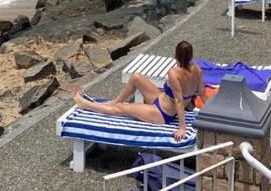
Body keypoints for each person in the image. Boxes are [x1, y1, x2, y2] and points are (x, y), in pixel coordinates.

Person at [71, 40, 202, 142]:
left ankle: (85, 104)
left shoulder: (174, 73)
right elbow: (202, 92)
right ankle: (114, 101)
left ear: (175, 55)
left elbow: (179, 101)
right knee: (136, 77)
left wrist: (182, 128)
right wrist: (210, 108)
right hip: (160, 99)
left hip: (163, 113)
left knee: (121, 108)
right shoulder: (197, 69)